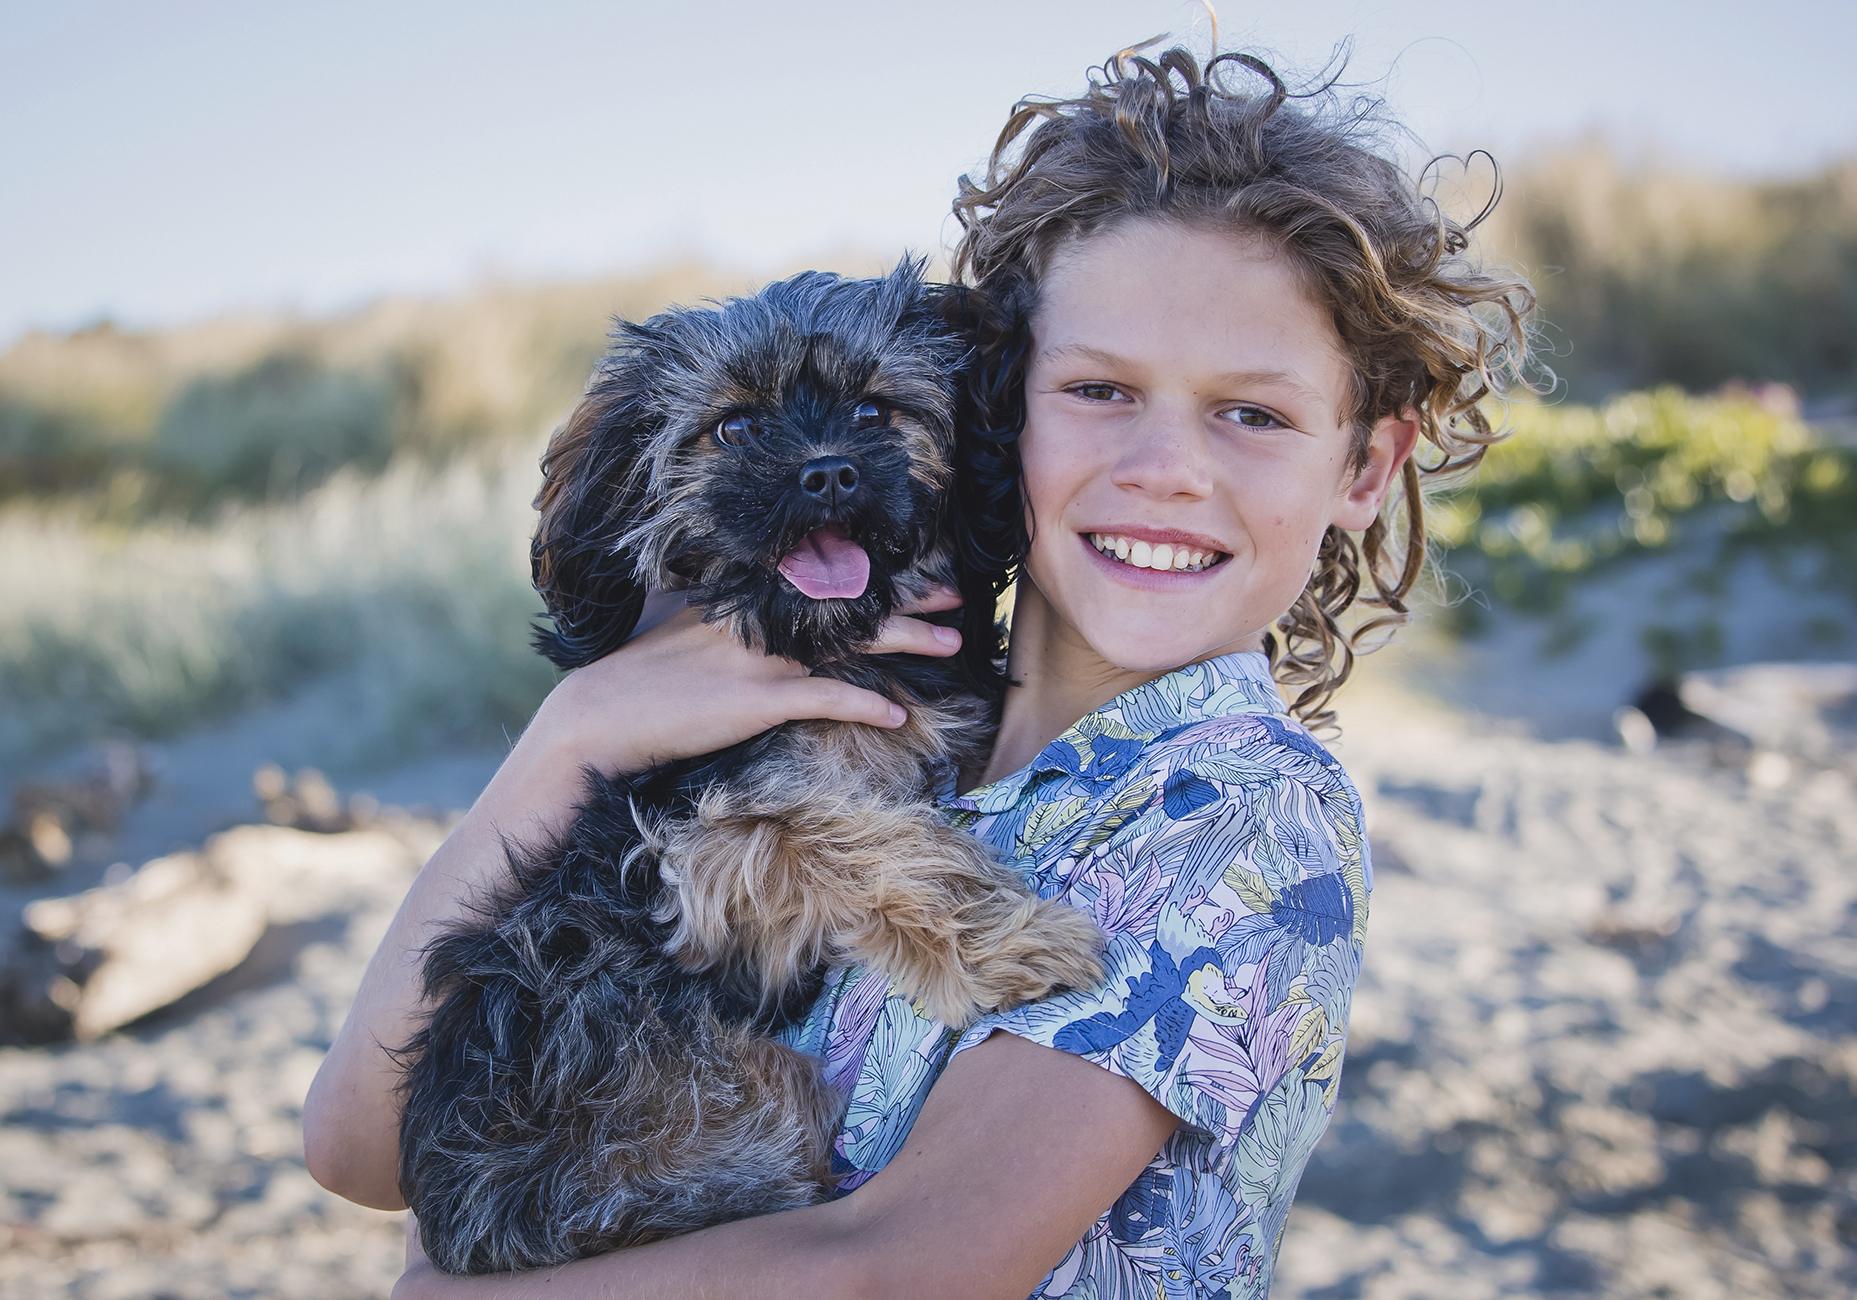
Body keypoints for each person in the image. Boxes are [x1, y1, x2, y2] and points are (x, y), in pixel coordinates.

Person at [303, 39, 1533, 1300]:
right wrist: (568, 734)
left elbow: (902, 1270)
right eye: (1102, 389)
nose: (1168, 466)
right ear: (1003, 408)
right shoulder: (853, 750)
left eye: (1254, 413)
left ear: (1366, 468)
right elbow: (353, 1144)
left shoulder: (1239, 807)